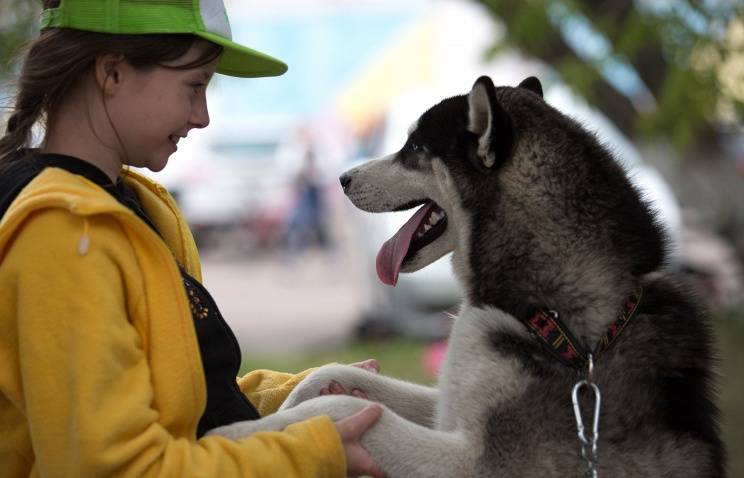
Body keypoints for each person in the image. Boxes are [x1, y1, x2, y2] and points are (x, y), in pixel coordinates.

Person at [0, 1, 385, 476]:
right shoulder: (66, 231)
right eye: (195, 86)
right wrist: (310, 454)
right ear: (112, 72)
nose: (202, 116)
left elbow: (185, 406)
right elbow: (119, 468)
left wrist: (301, 396)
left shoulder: (130, 205)